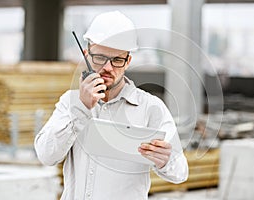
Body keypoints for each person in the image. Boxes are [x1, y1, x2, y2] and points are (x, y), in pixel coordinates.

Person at [34, 11, 188, 200]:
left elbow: (181, 173)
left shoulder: (150, 108)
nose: (108, 68)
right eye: (99, 58)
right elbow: (46, 156)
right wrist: (81, 107)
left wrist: (165, 161)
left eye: (117, 60)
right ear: (86, 55)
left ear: (128, 61)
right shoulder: (71, 102)